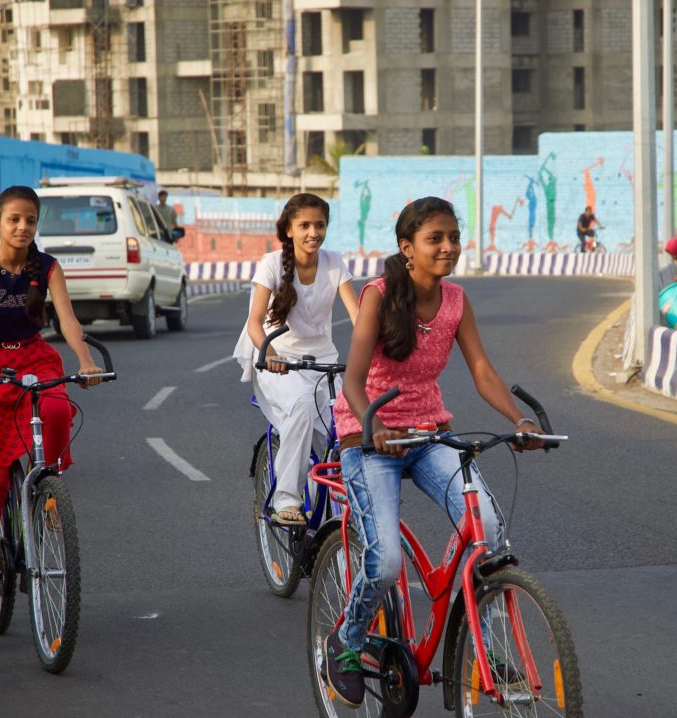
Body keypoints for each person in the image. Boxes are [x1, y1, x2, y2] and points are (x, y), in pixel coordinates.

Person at [321, 197, 543, 707]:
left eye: (453, 238)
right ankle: (347, 642)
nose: (448, 247)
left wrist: (520, 420)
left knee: (486, 531)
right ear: (408, 248)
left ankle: (489, 648)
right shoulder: (377, 297)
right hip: (369, 437)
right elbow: (354, 381)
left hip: (428, 435)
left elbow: (482, 372)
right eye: (434, 239)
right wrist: (373, 425)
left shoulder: (457, 301)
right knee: (385, 563)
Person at [0, 186, 103, 628]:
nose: (22, 227)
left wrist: (85, 360)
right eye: (13, 219)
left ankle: (49, 489)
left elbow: (67, 319)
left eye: (30, 220)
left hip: (33, 356)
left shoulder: (47, 267)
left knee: (55, 410)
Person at [233, 193, 358, 525]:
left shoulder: (334, 262)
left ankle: (339, 509)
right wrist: (270, 354)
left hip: (324, 362)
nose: (312, 233)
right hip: (276, 359)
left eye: (320, 225)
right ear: (288, 230)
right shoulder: (272, 263)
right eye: (304, 225)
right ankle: (286, 499)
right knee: (302, 406)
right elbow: (254, 322)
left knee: (343, 432)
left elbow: (360, 319)